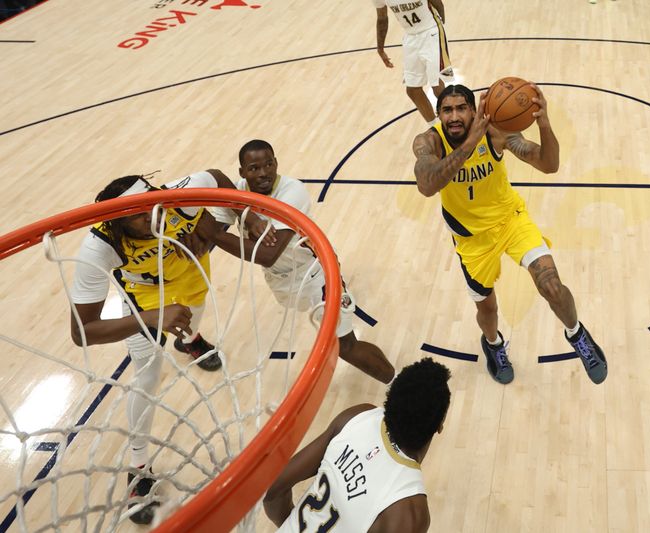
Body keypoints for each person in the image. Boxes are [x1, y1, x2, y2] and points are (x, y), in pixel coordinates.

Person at [69, 169, 278, 524]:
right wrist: (151, 317)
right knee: (147, 377)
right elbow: (82, 331)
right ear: (118, 227)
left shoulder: (178, 196)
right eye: (138, 214)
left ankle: (191, 341)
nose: (154, 214)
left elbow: (216, 177)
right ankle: (137, 467)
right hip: (145, 299)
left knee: (190, 324)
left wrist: (249, 217)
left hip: (191, 273)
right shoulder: (99, 245)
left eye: (153, 202)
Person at [411, 84, 608, 385]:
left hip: (511, 220)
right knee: (488, 309)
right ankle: (493, 345)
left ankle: (577, 334)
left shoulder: (496, 134)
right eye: (447, 110)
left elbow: (549, 165)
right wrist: (468, 145)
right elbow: (426, 185)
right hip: (472, 239)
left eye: (461, 108)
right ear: (437, 115)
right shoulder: (429, 143)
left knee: (552, 286)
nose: (454, 116)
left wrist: (544, 124)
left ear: (474, 110)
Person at [212, 139, 395, 384]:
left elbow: (268, 253)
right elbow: (213, 220)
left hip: (316, 276)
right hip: (281, 278)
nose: (264, 173)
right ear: (242, 172)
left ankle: (398, 381)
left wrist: (211, 234)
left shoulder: (291, 191)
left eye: (268, 164)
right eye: (254, 168)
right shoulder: (237, 191)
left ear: (276, 163)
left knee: (346, 345)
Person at [263, 357, 451, 532]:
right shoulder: (409, 512)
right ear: (440, 424)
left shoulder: (357, 417)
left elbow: (274, 491)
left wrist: (291, 526)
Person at [373, 0, 452, 126]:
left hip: (431, 31)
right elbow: (382, 18)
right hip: (410, 36)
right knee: (412, 90)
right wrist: (380, 48)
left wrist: (440, 28)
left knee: (437, 85)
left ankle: (460, 126)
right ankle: (435, 129)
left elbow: (438, 4)